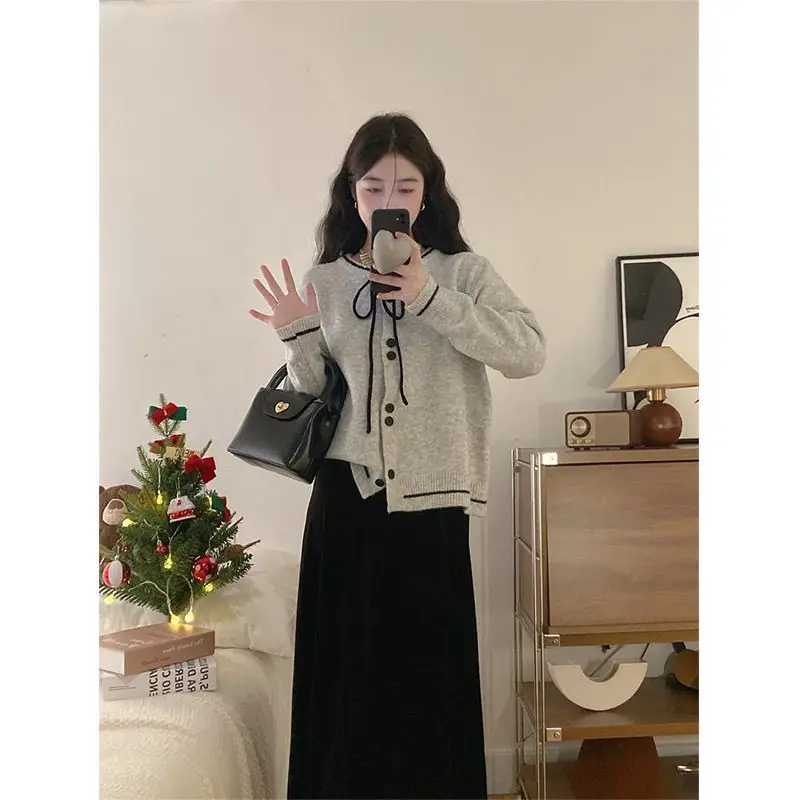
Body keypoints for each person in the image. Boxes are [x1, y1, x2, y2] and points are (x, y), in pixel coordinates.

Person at [249, 113, 546, 800]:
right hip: (346, 499)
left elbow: (527, 352)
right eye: (374, 187)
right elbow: (314, 398)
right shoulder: (324, 282)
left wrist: (431, 299)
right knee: (346, 676)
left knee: (428, 675)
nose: (390, 199)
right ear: (351, 194)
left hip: (433, 501)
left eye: (405, 187)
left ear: (426, 192)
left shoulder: (463, 273)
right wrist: (298, 336)